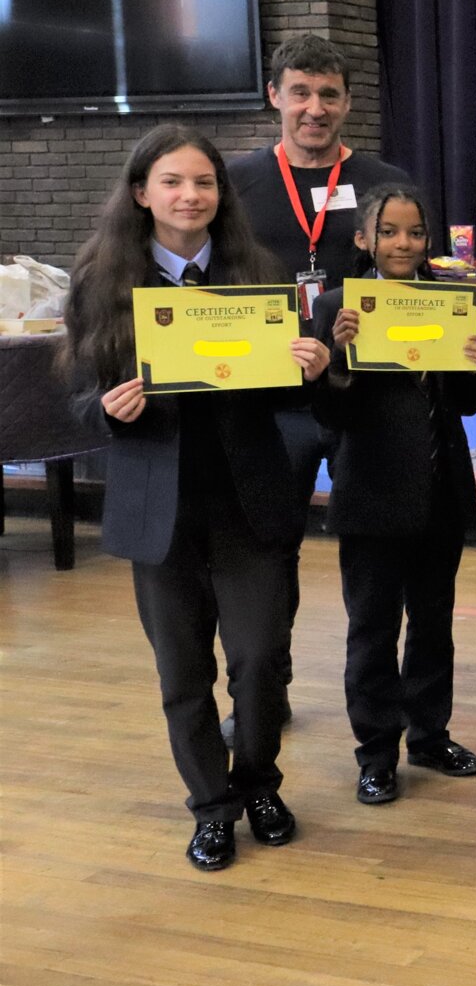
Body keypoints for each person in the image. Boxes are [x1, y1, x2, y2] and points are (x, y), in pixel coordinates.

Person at [65, 124, 329, 869]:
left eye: (204, 182)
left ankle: (258, 783)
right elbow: (79, 400)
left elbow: (282, 392)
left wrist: (311, 365)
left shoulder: (255, 272)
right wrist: (107, 409)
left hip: (250, 503)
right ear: (142, 193)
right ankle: (211, 806)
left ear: (221, 195)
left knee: (259, 661)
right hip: (160, 513)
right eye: (174, 182)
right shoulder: (103, 281)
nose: (191, 195)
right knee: (183, 674)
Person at [224, 33, 410, 734]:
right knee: (269, 556)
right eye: (300, 92)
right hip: (271, 405)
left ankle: (379, 719)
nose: (314, 108)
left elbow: (416, 284)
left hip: (361, 402)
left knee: (371, 559)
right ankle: (264, 696)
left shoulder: (386, 180)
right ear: (275, 95)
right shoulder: (236, 183)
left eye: (329, 94)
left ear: (348, 103)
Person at [312, 182, 476, 806]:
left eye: (415, 232)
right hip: (369, 492)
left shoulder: (450, 300)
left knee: (434, 623)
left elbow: (467, 402)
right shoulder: (338, 306)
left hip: (440, 489)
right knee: (372, 629)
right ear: (364, 238)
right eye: (388, 231)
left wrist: (474, 364)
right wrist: (336, 355)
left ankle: (429, 734)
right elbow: (325, 413)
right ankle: (376, 753)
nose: (403, 243)